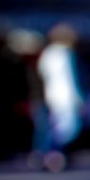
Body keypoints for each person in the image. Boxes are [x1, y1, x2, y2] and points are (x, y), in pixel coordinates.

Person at [32, 25, 83, 171]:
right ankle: (54, 156)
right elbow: (70, 79)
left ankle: (47, 156)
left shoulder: (48, 54)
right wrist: (78, 97)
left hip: (53, 97)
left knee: (53, 128)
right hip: (64, 98)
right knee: (62, 130)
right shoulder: (64, 54)